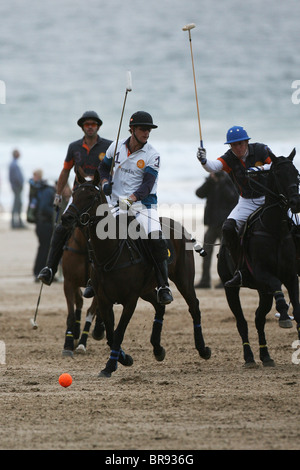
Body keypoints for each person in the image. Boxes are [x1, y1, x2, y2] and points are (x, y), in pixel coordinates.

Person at [98, 110, 173, 305]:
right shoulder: (115, 146)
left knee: (156, 238)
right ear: (132, 129)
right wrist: (105, 182)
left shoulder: (152, 155)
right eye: (142, 129)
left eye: (149, 130)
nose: (146, 133)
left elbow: (147, 185)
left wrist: (131, 199)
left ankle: (163, 286)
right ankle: (94, 279)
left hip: (142, 206)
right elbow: (103, 168)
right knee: (96, 234)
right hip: (115, 204)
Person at [37, 111, 112, 286]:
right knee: (61, 228)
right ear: (82, 127)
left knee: (111, 229)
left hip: (100, 196)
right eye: (87, 124)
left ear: (98, 126)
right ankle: (49, 268)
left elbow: (116, 169)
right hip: (78, 196)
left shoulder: (108, 146)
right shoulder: (74, 147)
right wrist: (58, 193)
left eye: (93, 124)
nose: (90, 127)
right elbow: (65, 171)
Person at [197, 125, 272, 287]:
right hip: (246, 201)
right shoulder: (229, 158)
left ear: (246, 142)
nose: (237, 148)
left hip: (269, 198)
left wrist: (258, 169)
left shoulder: (260, 150)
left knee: (293, 220)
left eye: (240, 144)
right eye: (233, 145)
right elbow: (212, 166)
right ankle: (239, 268)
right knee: (228, 227)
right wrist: (203, 160)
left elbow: (277, 165)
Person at [195, 171, 238, 288]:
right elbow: (199, 193)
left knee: (226, 254)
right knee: (206, 252)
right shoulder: (211, 183)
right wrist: (209, 181)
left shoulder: (229, 181)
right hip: (212, 224)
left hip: (225, 224)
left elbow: (233, 198)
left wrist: (222, 182)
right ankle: (205, 280)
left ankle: (226, 280)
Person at [29, 169, 55, 281]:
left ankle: (38, 271)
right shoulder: (49, 191)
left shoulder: (40, 188)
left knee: (43, 248)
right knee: (45, 249)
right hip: (45, 224)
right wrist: (55, 212)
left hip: (39, 223)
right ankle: (39, 273)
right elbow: (44, 207)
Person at [8, 149, 26, 229]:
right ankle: (15, 223)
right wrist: (20, 184)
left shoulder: (14, 164)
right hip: (17, 187)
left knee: (18, 204)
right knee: (17, 204)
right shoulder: (14, 164)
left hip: (16, 187)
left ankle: (17, 222)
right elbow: (15, 178)